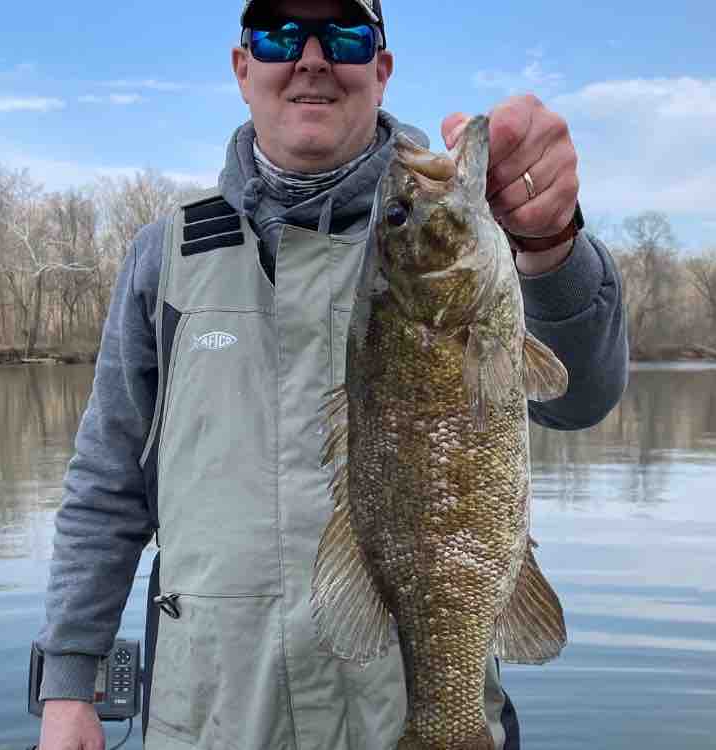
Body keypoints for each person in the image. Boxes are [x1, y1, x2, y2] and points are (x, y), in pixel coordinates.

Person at [36, 1, 628, 749]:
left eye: (344, 35)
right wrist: (69, 685)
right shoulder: (167, 254)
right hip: (214, 720)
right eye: (280, 34)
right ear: (242, 67)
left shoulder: (486, 236)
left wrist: (549, 248)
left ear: (380, 71)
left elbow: (584, 398)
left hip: (408, 715)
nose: (311, 57)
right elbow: (105, 484)